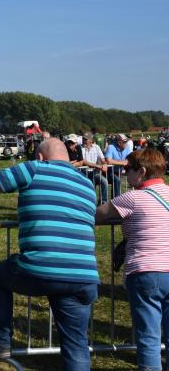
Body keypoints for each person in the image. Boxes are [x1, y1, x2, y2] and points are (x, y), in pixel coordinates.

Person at [0, 138, 98, 370]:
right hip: (83, 275)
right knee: (76, 344)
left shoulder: (35, 168)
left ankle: (0, 342)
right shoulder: (87, 184)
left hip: (41, 267)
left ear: (40, 156)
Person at [95, 148, 169, 371]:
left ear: (142, 171)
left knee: (148, 336)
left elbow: (97, 214)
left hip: (147, 270)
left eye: (128, 169)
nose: (125, 174)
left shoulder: (133, 197)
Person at [81, 133, 109, 203]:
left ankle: (103, 203)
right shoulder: (80, 148)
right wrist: (97, 166)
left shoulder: (96, 147)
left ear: (91, 140)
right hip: (84, 173)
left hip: (94, 172)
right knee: (91, 187)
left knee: (104, 182)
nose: (83, 140)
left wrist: (105, 164)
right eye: (83, 139)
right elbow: (84, 161)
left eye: (85, 139)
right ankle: (89, 203)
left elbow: (102, 159)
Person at [105, 133, 132, 198]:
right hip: (108, 172)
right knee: (117, 180)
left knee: (117, 181)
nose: (127, 143)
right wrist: (122, 163)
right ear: (119, 143)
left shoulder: (127, 148)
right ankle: (116, 201)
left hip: (118, 172)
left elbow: (129, 159)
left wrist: (123, 162)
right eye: (125, 142)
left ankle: (115, 200)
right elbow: (108, 161)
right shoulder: (111, 147)